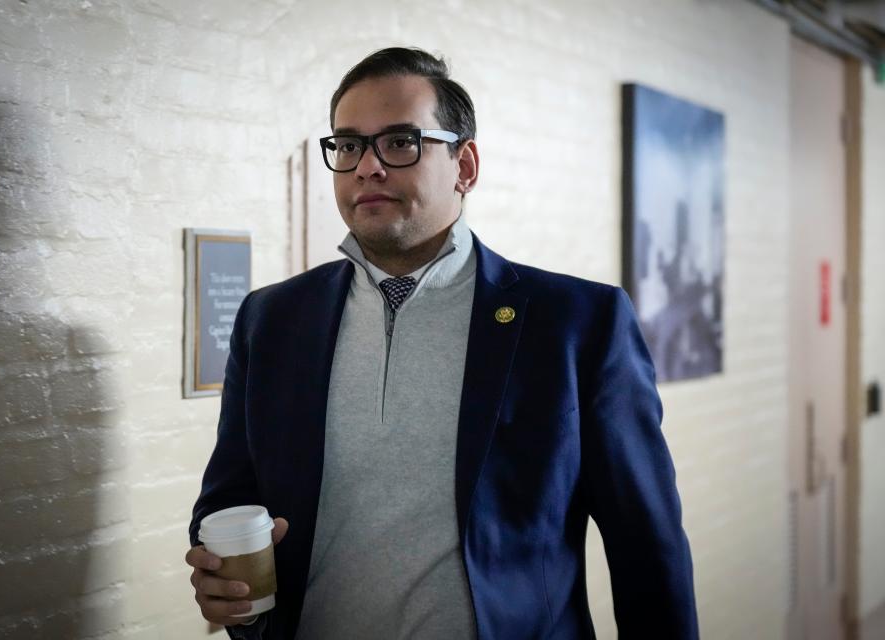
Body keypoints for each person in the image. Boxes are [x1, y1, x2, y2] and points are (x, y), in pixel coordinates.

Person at [186, 47, 698, 640]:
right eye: (348, 145)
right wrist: (219, 572)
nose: (366, 168)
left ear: (465, 165)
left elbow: (646, 545)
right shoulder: (271, 319)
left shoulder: (576, 322)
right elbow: (229, 495)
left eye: (401, 142)